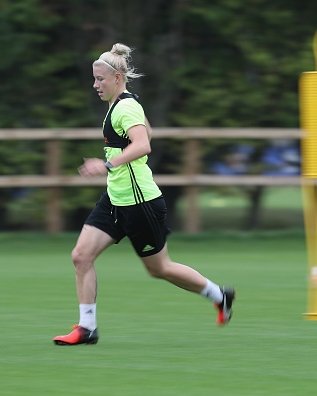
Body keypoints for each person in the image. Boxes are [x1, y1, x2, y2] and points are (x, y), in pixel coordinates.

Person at [53, 43, 235, 346]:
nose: (94, 85)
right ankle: (87, 328)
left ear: (116, 78)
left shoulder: (125, 106)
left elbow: (143, 145)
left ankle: (219, 295)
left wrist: (106, 164)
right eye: (94, 79)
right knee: (81, 256)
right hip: (115, 198)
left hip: (140, 204)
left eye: (99, 79)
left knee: (160, 269)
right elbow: (146, 132)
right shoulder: (123, 103)